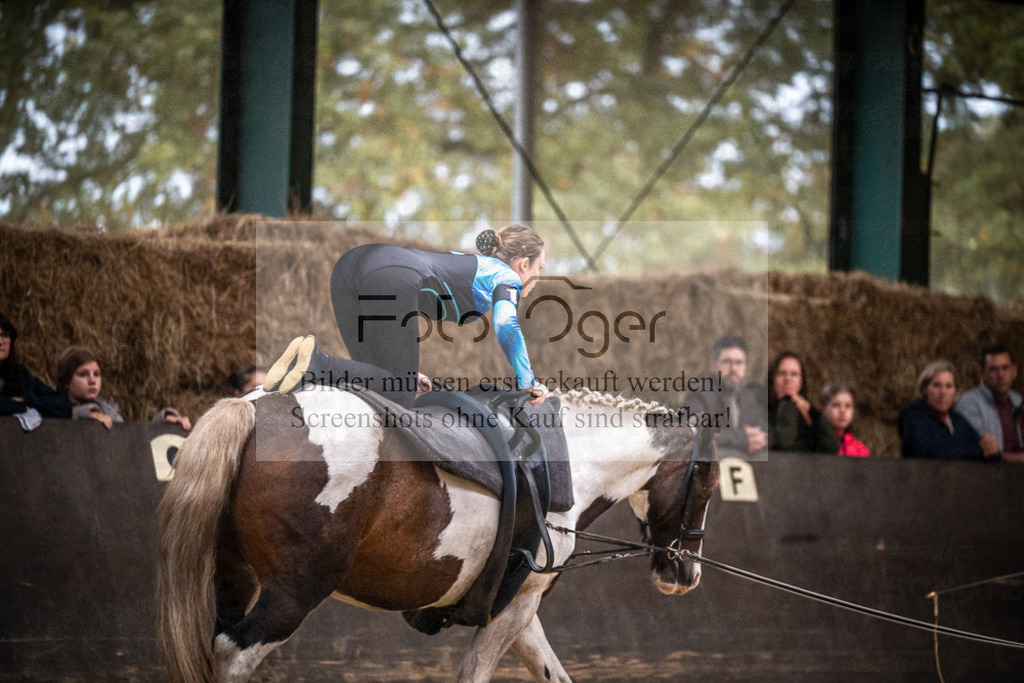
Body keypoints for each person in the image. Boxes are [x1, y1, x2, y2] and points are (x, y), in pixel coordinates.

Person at [264, 225, 549, 408]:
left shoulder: (467, 262)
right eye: (540, 268)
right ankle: (316, 362)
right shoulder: (507, 277)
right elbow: (505, 324)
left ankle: (297, 373)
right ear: (524, 264)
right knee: (398, 392)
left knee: (379, 380)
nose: (538, 277)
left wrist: (407, 374)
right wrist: (527, 381)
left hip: (351, 266)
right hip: (389, 276)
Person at [56, 346, 192, 431]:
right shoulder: (55, 414)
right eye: (83, 374)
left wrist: (163, 424)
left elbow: (134, 446)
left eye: (96, 374)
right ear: (67, 382)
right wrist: (84, 414)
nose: (92, 380)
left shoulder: (110, 414)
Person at [684, 334, 770, 457]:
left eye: (739, 362)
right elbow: (694, 434)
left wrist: (761, 438)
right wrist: (741, 439)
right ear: (713, 365)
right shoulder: (699, 393)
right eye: (727, 362)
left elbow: (764, 430)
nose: (733, 368)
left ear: (745, 367)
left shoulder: (748, 396)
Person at [898, 359, 999, 461]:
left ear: (954, 391)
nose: (943, 392)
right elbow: (934, 454)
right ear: (925, 389)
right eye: (937, 385)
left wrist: (990, 449)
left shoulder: (958, 421)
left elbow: (984, 451)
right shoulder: (914, 419)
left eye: (948, 386)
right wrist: (980, 451)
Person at [956, 344, 1024, 463]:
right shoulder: (969, 403)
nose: (1001, 375)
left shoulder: (1017, 399)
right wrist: (1018, 458)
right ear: (981, 374)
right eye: (993, 369)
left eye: (1005, 368)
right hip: (988, 474)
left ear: (1014, 371)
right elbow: (981, 453)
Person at [0, 313, 71, 419]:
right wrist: (16, 405)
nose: (0, 342)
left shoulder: (19, 375)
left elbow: (64, 406)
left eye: (5, 335)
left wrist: (27, 399)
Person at [765, 351, 838, 454]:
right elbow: (784, 443)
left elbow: (832, 448)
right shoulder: (761, 410)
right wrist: (788, 402)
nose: (788, 379)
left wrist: (812, 413)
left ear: (801, 382)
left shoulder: (809, 414)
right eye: (782, 373)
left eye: (794, 374)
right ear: (773, 379)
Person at [819, 381, 869, 457]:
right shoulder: (813, 445)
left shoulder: (860, 449)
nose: (843, 411)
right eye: (836, 405)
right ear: (822, 409)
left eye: (848, 406)